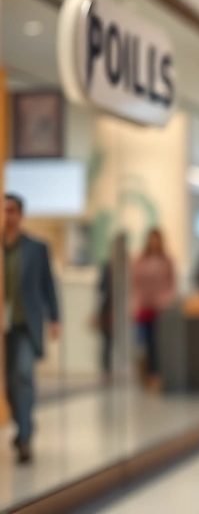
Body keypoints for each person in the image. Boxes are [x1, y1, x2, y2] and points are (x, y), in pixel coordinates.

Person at [3, 194, 60, 464]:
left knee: (23, 375)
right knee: (9, 385)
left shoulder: (36, 248)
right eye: (4, 211)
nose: (8, 216)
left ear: (20, 215)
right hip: (3, 329)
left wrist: (55, 318)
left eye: (12, 211)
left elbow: (48, 285)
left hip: (25, 324)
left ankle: (24, 437)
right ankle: (22, 422)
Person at [131, 228, 176, 390]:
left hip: (160, 309)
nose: (154, 242)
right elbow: (135, 285)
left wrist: (165, 300)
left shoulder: (166, 261)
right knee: (144, 344)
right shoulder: (140, 261)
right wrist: (135, 303)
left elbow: (171, 285)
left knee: (158, 344)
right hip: (144, 308)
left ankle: (158, 375)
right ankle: (146, 375)